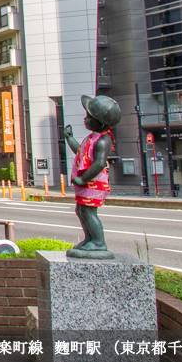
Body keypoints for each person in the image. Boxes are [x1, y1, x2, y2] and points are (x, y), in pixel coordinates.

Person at [63, 94, 121, 259]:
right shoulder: (92, 138)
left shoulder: (103, 141)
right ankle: (90, 239)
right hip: (87, 182)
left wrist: (83, 179)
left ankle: (98, 242)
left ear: (100, 122)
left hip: (93, 183)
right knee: (81, 210)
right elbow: (80, 152)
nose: (85, 119)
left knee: (89, 212)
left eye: (89, 117)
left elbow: (99, 163)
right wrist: (69, 138)